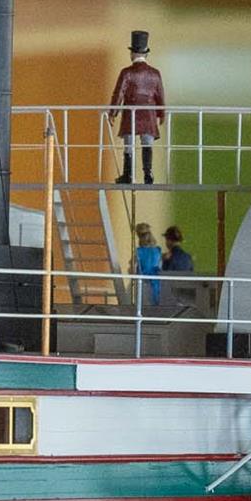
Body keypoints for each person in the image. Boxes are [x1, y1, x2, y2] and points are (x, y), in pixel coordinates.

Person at [108, 29, 165, 185]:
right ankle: (148, 174)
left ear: (132, 53)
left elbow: (118, 93)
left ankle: (128, 174)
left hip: (131, 115)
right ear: (146, 54)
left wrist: (113, 112)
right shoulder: (155, 74)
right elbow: (160, 95)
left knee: (129, 145)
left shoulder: (126, 73)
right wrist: (161, 113)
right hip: (149, 115)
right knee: (147, 144)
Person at [132, 222, 163, 304]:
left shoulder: (138, 252)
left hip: (143, 284)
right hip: (157, 284)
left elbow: (133, 270)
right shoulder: (158, 250)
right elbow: (160, 266)